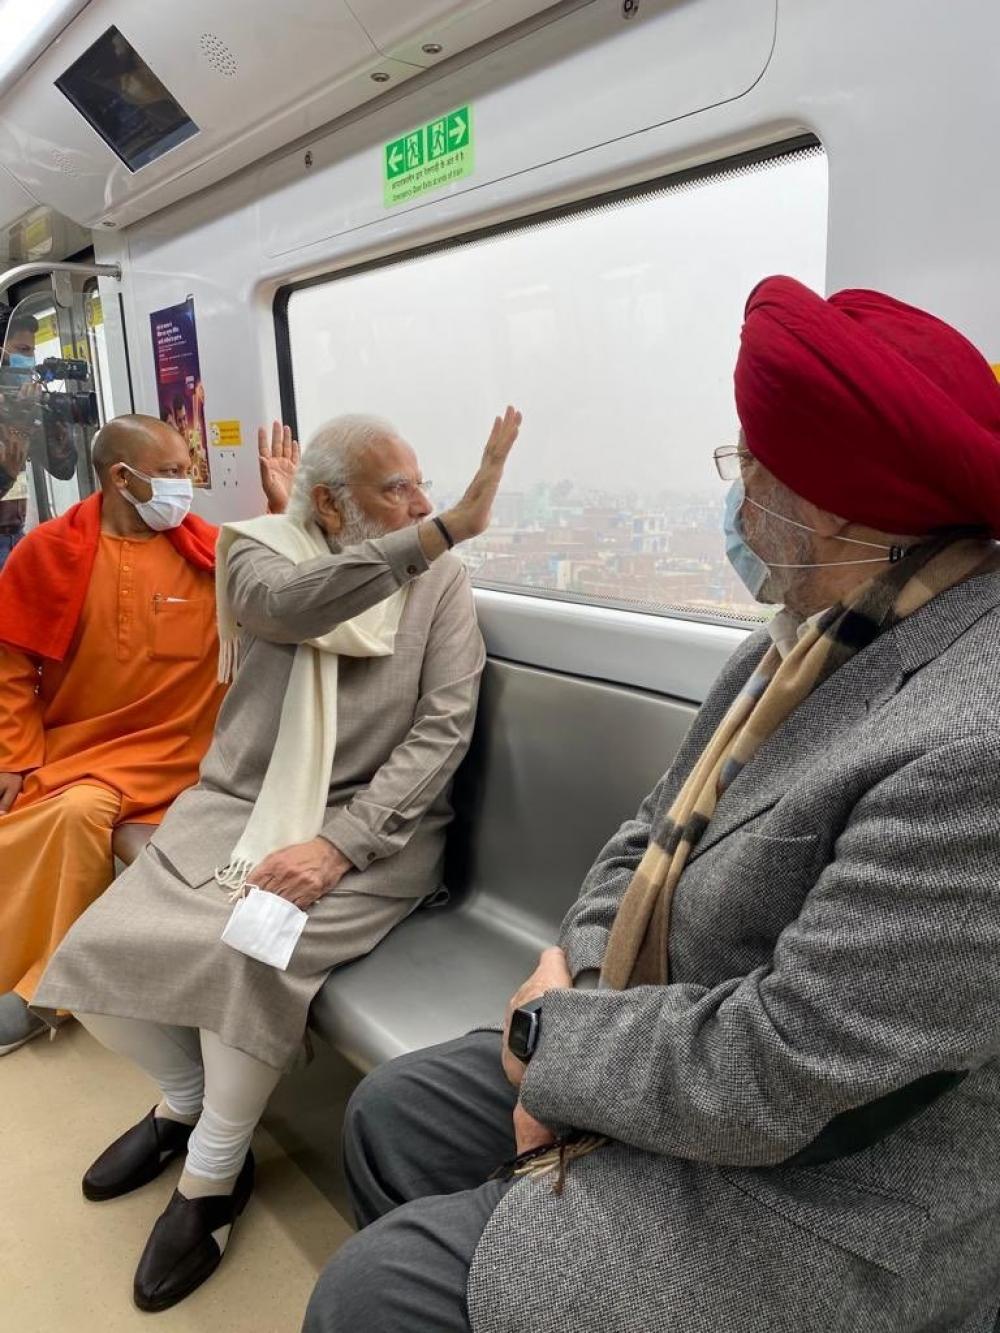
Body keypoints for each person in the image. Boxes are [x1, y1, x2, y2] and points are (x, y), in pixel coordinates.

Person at [304, 278, 1000, 1333]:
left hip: (836, 1176)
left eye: (751, 472)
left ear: (841, 504)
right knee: (390, 1116)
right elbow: (647, 826)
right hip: (666, 1025)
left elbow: (789, 1063)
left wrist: (551, 1047)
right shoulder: (790, 645)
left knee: (371, 1296)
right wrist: (581, 981)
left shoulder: (970, 742)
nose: (738, 502)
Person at [32, 407, 522, 1314]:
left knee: (249, 947)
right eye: (398, 488)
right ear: (330, 505)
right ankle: (182, 1101)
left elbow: (441, 727)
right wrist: (442, 526)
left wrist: (340, 844)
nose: (420, 503)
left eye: (424, 485)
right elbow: (294, 607)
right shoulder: (257, 551)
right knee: (92, 954)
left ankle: (214, 1174)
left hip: (379, 833)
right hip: (238, 808)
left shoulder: (441, 583)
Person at [0, 415, 299, 1055]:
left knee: (81, 812)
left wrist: (284, 514)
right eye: (169, 474)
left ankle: (44, 984)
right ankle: (40, 978)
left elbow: (290, 591)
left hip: (193, 758)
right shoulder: (45, 553)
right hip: (85, 752)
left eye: (186, 472)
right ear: (121, 477)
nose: (184, 487)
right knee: (71, 811)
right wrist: (14, 757)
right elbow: (8, 665)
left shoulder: (212, 552)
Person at [0, 310, 79, 567]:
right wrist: (6, 475)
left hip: (15, 536)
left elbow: (64, 468)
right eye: (22, 350)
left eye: (32, 351)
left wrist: (46, 418)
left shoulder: (18, 406)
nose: (30, 359)